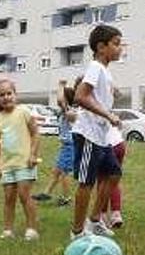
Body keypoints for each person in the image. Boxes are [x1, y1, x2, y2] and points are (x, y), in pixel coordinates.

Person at [70, 24, 123, 238]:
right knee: (87, 182)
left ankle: (94, 221)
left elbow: (96, 96)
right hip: (88, 133)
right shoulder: (95, 67)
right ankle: (77, 231)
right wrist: (108, 115)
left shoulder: (104, 71)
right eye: (116, 44)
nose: (121, 49)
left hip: (101, 136)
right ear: (101, 47)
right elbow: (80, 96)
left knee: (113, 174)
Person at [0, 79, 41, 241]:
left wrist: (32, 154)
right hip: (7, 165)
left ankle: (32, 229)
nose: (6, 97)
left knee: (24, 196)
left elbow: (36, 134)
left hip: (25, 163)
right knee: (9, 198)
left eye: (9, 93)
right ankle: (8, 230)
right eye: (1, 95)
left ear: (15, 95)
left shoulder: (23, 112)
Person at [33, 80, 77, 206]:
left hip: (70, 146)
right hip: (66, 146)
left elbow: (59, 100)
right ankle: (46, 193)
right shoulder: (66, 110)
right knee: (56, 171)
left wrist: (61, 85)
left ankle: (66, 198)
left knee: (64, 173)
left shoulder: (70, 111)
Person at [99, 125, 127, 228]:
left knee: (102, 181)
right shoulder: (108, 111)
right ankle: (116, 214)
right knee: (113, 180)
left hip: (106, 146)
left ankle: (102, 215)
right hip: (119, 144)